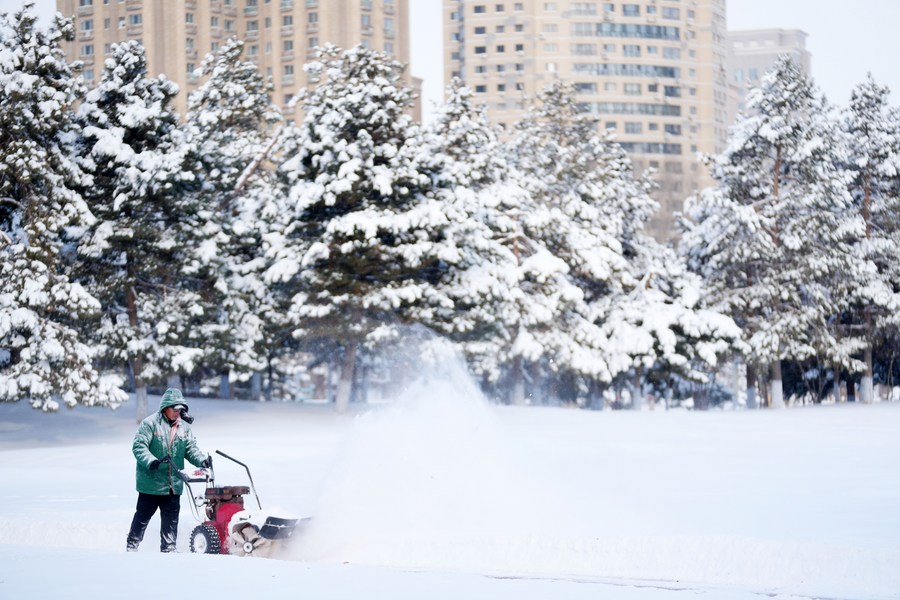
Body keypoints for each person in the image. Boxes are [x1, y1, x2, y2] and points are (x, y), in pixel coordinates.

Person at [126, 388, 210, 552]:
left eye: (180, 409)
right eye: (174, 409)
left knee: (171, 521)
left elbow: (190, 449)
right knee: (142, 517)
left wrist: (202, 460)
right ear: (165, 407)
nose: (177, 412)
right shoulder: (150, 424)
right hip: (151, 484)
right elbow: (138, 446)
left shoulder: (183, 428)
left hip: (173, 484)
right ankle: (132, 545)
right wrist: (152, 461)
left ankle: (169, 549)